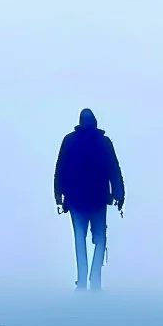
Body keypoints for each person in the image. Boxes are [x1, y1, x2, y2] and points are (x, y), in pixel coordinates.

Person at [54, 108, 125, 291]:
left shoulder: (69, 141)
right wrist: (119, 194)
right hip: (99, 198)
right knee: (100, 238)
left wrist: (58, 196)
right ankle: (95, 278)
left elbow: (60, 169)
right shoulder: (103, 142)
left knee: (80, 239)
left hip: (76, 199)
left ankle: (82, 278)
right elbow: (114, 169)